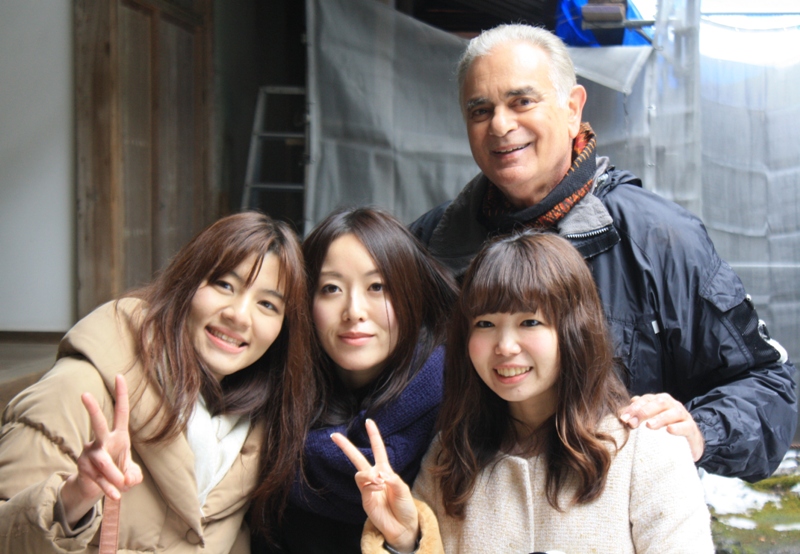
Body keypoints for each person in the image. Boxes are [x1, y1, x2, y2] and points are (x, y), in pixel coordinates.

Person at [409, 23, 797, 482]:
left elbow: (769, 385)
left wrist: (701, 429)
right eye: (480, 110)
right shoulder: (433, 244)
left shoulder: (659, 240)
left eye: (522, 101)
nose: (500, 125)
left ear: (572, 109)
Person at [334, 231, 715, 553]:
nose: (505, 345)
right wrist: (406, 540)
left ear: (574, 330)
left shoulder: (646, 451)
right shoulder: (450, 458)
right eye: (485, 323)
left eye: (529, 321)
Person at [0, 212, 315, 553]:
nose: (239, 314)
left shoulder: (254, 431)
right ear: (186, 282)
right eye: (224, 284)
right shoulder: (80, 389)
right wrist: (71, 502)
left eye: (267, 304)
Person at [262, 207, 457, 553]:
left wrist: (405, 543)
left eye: (377, 286)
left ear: (412, 294)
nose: (354, 310)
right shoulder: (270, 400)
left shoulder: (456, 413)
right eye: (331, 288)